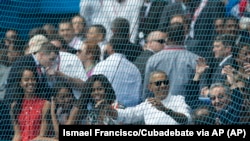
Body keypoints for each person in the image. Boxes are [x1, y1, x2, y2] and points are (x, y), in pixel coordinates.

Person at [108, 70, 191, 125]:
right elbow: (129, 114)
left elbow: (186, 120)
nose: (163, 86)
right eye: (158, 83)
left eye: (165, 82)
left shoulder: (178, 99)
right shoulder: (148, 103)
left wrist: (166, 110)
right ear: (150, 87)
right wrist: (109, 110)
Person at [143, 23, 199, 100]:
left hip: (158, 108)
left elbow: (147, 91)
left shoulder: (153, 59)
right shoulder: (195, 60)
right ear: (183, 37)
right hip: (184, 108)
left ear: (167, 38)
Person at [92, 36, 142, 107]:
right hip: (129, 112)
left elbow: (92, 87)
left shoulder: (101, 65)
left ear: (111, 48)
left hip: (107, 110)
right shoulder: (134, 69)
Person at [9, 67, 50, 141]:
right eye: (26, 80)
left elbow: (42, 136)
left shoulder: (45, 104)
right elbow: (17, 135)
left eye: (33, 79)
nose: (30, 82)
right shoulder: (14, 106)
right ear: (20, 83)